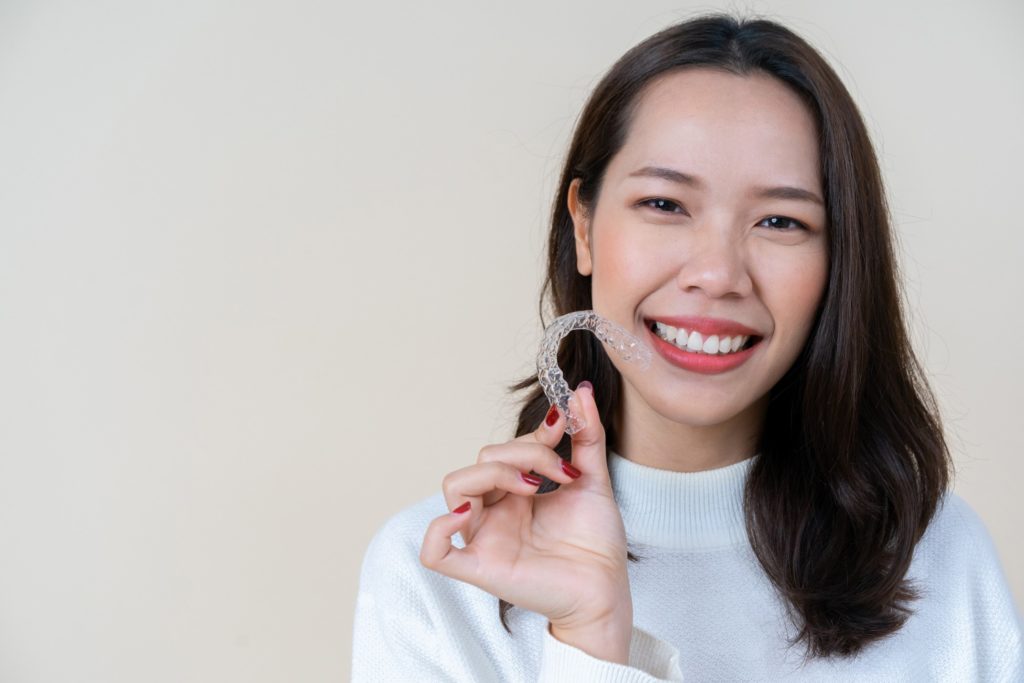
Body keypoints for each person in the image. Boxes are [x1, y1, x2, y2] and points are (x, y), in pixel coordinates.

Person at [351, 13, 1024, 681]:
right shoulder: (440, 573)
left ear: (839, 259)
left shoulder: (939, 560)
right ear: (582, 225)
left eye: (781, 220)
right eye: (666, 204)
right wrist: (589, 640)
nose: (718, 274)